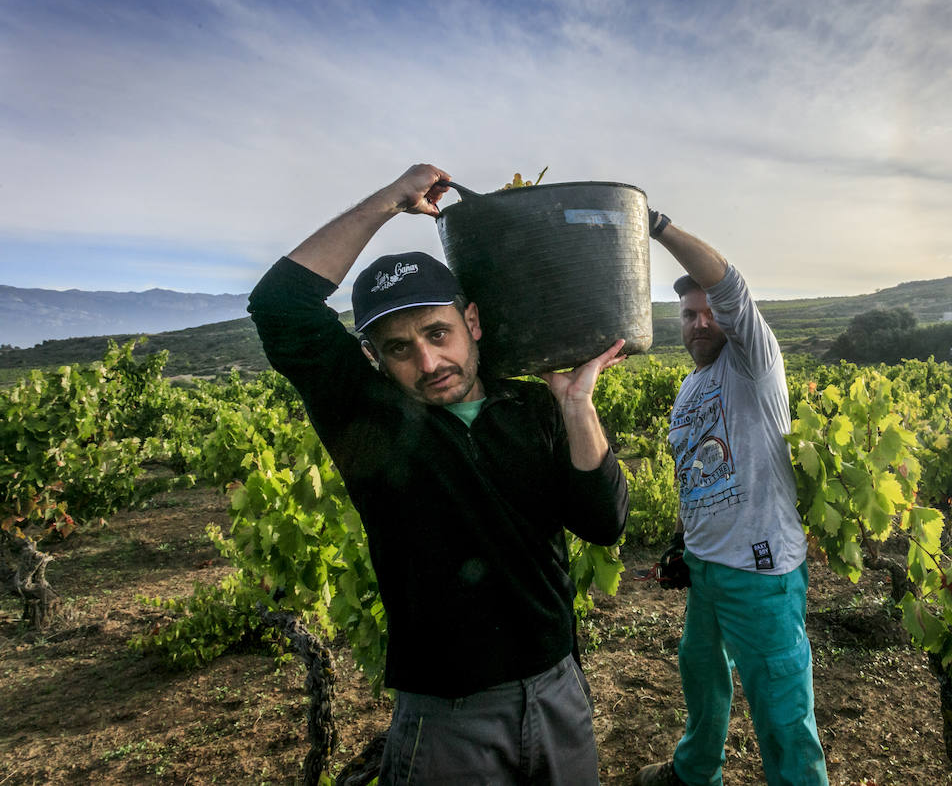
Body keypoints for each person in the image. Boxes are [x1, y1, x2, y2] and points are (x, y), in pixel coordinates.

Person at [247, 163, 628, 785]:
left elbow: (604, 523)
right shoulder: (368, 420)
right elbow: (279, 303)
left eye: (437, 332)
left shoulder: (534, 407)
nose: (428, 361)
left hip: (559, 690)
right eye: (399, 348)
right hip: (449, 718)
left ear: (472, 324)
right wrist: (390, 200)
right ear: (373, 358)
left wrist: (577, 406)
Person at [634, 209, 828, 786]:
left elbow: (730, 287)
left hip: (760, 572)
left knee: (782, 707)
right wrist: (681, 542)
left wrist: (658, 226)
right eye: (689, 314)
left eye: (711, 312)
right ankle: (695, 773)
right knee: (701, 676)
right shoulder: (690, 388)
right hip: (708, 567)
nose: (700, 322)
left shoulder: (754, 364)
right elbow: (693, 471)